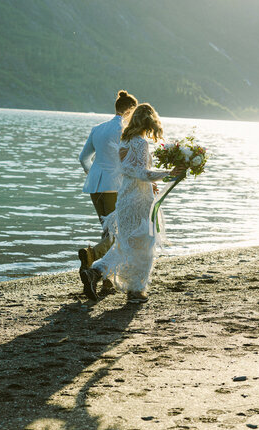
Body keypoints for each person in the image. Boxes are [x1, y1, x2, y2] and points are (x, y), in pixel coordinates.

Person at [80, 103, 187, 303]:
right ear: (150, 122)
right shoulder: (140, 142)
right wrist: (168, 174)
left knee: (124, 244)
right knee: (144, 246)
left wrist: (152, 181)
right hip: (138, 201)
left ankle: (95, 272)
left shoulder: (125, 140)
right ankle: (136, 291)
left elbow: (130, 172)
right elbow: (140, 172)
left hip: (125, 198)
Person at [78, 90, 138, 291]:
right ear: (130, 110)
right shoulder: (127, 130)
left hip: (95, 185)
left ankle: (106, 280)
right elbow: (130, 162)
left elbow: (83, 158)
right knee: (115, 233)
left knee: (108, 231)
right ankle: (92, 256)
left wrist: (92, 173)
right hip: (115, 186)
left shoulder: (98, 128)